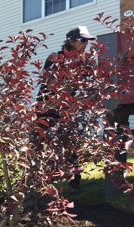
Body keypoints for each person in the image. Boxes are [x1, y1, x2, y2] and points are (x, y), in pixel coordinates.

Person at [37, 26, 96, 191]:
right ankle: (43, 181)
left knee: (70, 143)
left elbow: (89, 85)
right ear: (71, 41)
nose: (86, 44)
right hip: (47, 107)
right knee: (43, 142)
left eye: (88, 41)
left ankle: (74, 182)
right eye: (83, 40)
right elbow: (50, 83)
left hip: (66, 109)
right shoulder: (55, 58)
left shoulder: (83, 62)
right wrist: (71, 80)